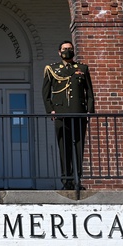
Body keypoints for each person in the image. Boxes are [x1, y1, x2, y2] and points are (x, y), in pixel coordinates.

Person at [42, 41, 95, 190]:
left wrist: (90, 111)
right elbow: (45, 94)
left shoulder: (82, 68)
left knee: (79, 147)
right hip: (61, 113)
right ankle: (66, 180)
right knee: (64, 147)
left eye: (70, 49)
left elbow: (89, 93)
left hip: (79, 112)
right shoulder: (52, 69)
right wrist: (50, 110)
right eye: (65, 49)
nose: (68, 51)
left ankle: (78, 178)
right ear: (59, 52)